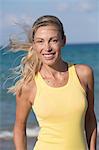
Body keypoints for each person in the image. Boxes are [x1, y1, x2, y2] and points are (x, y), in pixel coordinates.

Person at [8, 15, 97, 150]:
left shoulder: (83, 74)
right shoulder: (29, 86)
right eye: (40, 41)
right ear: (34, 45)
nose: (47, 47)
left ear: (63, 41)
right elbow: (19, 128)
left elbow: (90, 118)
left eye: (53, 40)